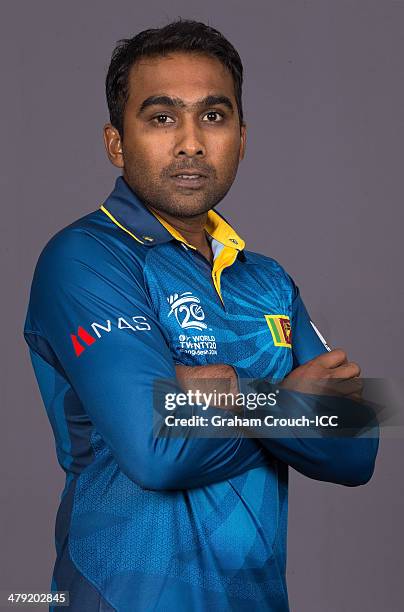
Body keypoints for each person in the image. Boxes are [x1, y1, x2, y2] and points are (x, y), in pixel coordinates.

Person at [23, 19, 378, 612]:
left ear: (242, 137)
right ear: (116, 142)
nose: (191, 142)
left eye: (213, 116)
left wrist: (211, 393)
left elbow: (357, 449)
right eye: (162, 117)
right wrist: (289, 403)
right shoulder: (82, 257)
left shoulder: (269, 279)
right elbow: (152, 451)